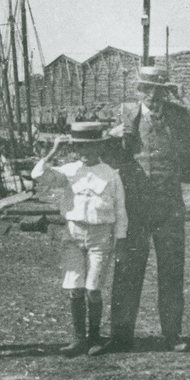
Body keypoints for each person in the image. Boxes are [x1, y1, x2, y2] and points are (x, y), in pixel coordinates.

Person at [94, 63, 190, 354]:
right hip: (134, 207)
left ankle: (172, 335)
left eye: (158, 90)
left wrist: (185, 102)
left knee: (171, 270)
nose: (152, 97)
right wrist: (110, 135)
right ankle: (121, 336)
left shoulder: (179, 116)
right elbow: (102, 154)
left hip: (170, 207)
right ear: (138, 90)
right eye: (146, 89)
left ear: (165, 92)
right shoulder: (124, 115)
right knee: (128, 270)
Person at [31, 123, 128, 357]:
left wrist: (121, 240)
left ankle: (94, 337)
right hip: (73, 234)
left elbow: (121, 211)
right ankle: (78, 338)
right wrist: (52, 152)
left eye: (91, 147)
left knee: (93, 288)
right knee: (75, 287)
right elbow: (38, 175)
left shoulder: (111, 174)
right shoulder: (69, 171)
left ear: (100, 147)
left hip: (100, 236)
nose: (85, 152)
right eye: (80, 147)